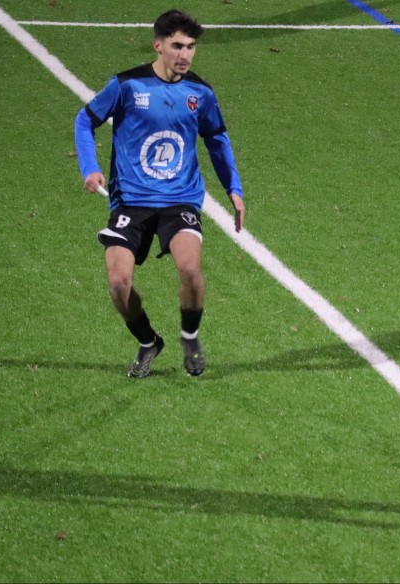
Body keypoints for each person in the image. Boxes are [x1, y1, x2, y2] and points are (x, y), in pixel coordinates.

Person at [74, 9, 246, 378]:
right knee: (118, 283)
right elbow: (85, 120)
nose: (185, 54)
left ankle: (190, 336)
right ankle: (149, 341)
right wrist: (89, 167)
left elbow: (217, 139)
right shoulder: (127, 85)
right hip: (131, 201)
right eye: (177, 46)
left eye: (191, 47)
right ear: (158, 46)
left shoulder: (200, 93)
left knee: (190, 268)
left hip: (179, 198)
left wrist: (233, 189)